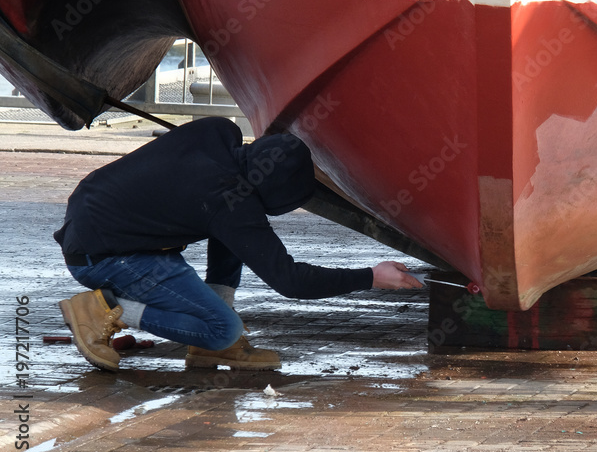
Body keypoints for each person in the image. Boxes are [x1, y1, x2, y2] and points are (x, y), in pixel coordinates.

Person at [54, 116, 422, 372]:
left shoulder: (216, 132)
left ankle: (209, 348)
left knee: (230, 237)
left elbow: (227, 221)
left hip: (91, 215)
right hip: (102, 257)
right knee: (222, 328)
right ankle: (106, 309)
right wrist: (370, 276)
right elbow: (290, 282)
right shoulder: (231, 203)